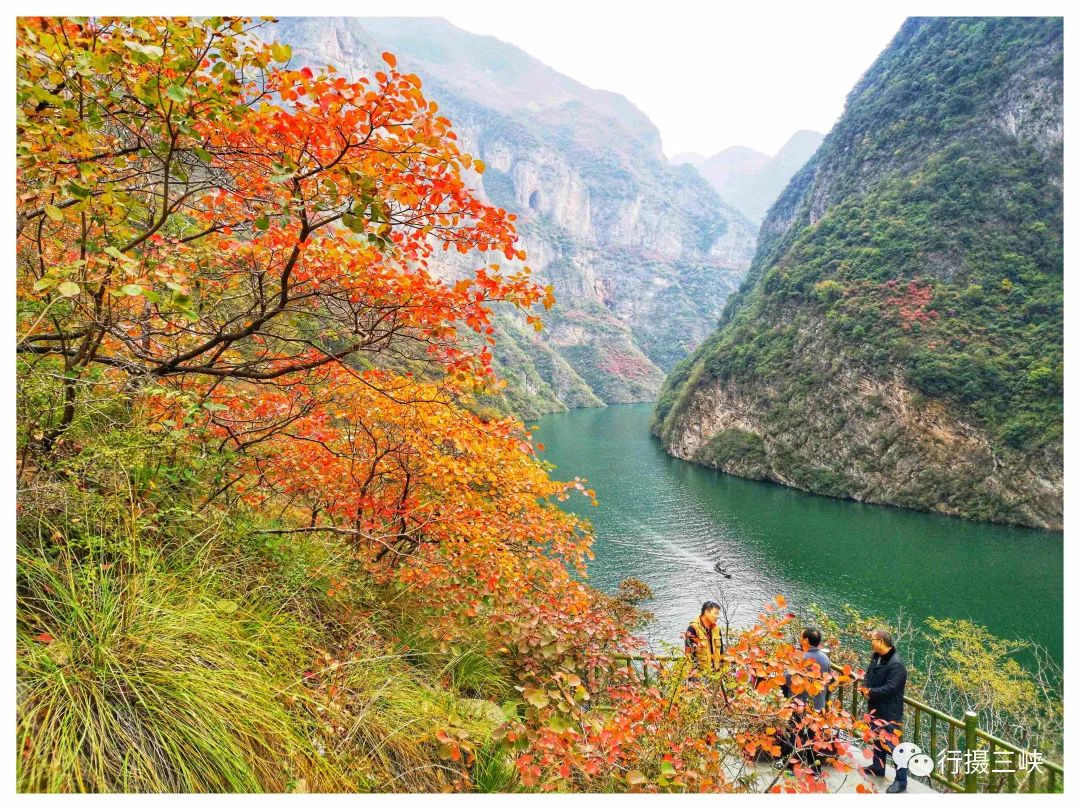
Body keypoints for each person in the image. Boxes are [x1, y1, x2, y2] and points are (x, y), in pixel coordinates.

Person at [863, 628, 908, 793]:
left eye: (873, 639)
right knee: (877, 739)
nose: (871, 642)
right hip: (875, 707)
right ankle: (878, 767)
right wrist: (865, 686)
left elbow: (891, 688)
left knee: (895, 746)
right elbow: (868, 673)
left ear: (881, 641)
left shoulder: (896, 664)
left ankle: (901, 781)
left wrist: (871, 692)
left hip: (890, 712)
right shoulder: (877, 656)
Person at [685, 601, 724, 678]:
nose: (717, 616)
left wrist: (721, 670)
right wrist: (693, 675)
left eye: (718, 614)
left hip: (716, 673)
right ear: (706, 612)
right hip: (701, 675)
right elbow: (689, 654)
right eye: (715, 613)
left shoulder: (716, 629)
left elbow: (721, 651)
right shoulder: (693, 628)